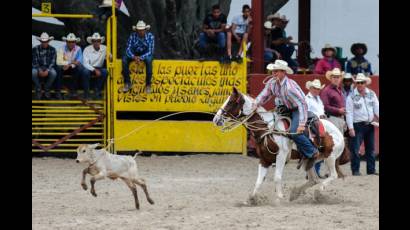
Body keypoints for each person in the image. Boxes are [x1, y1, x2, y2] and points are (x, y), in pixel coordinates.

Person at [253, 60, 320, 170]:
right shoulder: (272, 83)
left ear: (283, 72)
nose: (274, 73)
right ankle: (280, 153)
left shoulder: (289, 87)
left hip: (297, 109)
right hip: (285, 108)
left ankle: (312, 152)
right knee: (272, 126)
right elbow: (264, 95)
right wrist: (255, 103)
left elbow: (302, 103)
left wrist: (302, 124)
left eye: (276, 71)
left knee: (295, 132)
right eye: (273, 71)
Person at [346, 73, 379, 176]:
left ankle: (371, 170)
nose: (360, 84)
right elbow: (349, 113)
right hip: (357, 125)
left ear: (365, 83)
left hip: (369, 124)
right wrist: (350, 128)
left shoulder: (372, 94)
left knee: (371, 149)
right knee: (355, 149)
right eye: (358, 83)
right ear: (356, 84)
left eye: (362, 82)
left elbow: (377, 108)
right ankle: (355, 171)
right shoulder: (351, 97)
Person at [122, 20, 154, 93]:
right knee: (124, 59)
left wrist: (141, 58)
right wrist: (134, 57)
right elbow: (128, 49)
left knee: (149, 60)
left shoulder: (150, 36)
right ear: (136, 30)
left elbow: (150, 51)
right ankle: (127, 82)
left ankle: (148, 84)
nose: (141, 32)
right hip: (134, 54)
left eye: (142, 30)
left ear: (145, 30)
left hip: (145, 54)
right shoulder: (132, 36)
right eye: (139, 30)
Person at [305, 79, 326, 178]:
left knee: (320, 148)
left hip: (319, 124)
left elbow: (321, 111)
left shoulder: (319, 99)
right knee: (315, 148)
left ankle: (315, 172)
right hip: (311, 125)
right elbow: (307, 112)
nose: (316, 90)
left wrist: (322, 116)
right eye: (315, 88)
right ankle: (310, 173)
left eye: (318, 89)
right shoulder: (307, 99)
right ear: (310, 88)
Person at [56, 33, 85, 99]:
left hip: (71, 67)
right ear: (66, 42)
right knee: (58, 68)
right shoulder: (61, 48)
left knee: (79, 68)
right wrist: (71, 62)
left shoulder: (78, 48)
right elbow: (58, 61)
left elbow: (80, 61)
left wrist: (69, 64)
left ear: (75, 42)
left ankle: (73, 90)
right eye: (69, 42)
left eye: (73, 42)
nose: (71, 43)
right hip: (63, 67)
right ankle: (58, 91)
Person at [320, 68, 346, 134]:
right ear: (331, 78)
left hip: (340, 119)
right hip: (332, 119)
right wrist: (338, 110)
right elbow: (325, 107)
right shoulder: (326, 91)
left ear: (340, 79)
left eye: (338, 77)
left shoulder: (340, 90)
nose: (336, 79)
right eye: (334, 77)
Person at [82, 32, 108, 100]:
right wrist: (94, 70)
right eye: (94, 41)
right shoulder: (87, 49)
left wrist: (110, 57)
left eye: (98, 41)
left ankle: (97, 90)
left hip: (99, 67)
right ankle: (86, 93)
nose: (96, 42)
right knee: (85, 72)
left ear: (100, 41)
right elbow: (85, 63)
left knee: (105, 71)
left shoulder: (105, 48)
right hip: (89, 67)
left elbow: (110, 56)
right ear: (92, 42)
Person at [32, 32, 57, 100]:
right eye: (43, 41)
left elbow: (53, 62)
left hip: (48, 67)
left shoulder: (53, 49)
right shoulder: (35, 49)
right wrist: (39, 70)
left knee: (54, 73)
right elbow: (34, 61)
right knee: (33, 73)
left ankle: (47, 88)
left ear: (48, 41)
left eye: (46, 41)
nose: (44, 42)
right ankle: (38, 88)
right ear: (40, 41)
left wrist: (47, 70)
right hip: (38, 67)